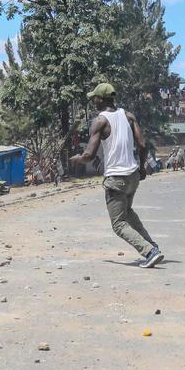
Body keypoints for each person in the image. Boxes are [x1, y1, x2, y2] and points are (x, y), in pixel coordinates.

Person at [69, 82, 164, 268]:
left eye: (94, 98)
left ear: (101, 99)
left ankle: (149, 251)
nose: (93, 101)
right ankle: (152, 246)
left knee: (118, 224)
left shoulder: (100, 121)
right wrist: (142, 168)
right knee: (127, 212)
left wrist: (76, 159)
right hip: (133, 175)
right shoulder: (128, 116)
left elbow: (88, 155)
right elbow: (143, 145)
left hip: (116, 179)